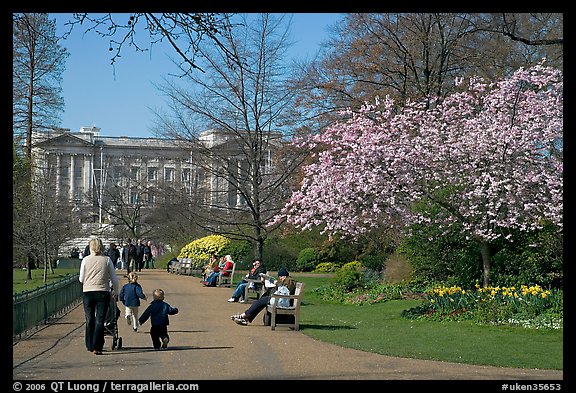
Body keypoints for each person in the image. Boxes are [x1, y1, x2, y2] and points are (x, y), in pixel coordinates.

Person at [79, 237, 120, 355]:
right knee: (100, 320)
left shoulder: (85, 260)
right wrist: (116, 292)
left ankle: (89, 344)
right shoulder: (107, 260)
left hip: (88, 292)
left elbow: (81, 279)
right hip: (102, 292)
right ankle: (97, 346)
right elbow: (115, 280)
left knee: (89, 318)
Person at [231, 267, 296, 326]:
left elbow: (287, 289)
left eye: (281, 276)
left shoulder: (289, 280)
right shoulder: (286, 280)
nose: (280, 278)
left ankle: (243, 316)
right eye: (279, 276)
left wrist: (277, 283)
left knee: (259, 302)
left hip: (281, 300)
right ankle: (245, 318)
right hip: (278, 299)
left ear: (285, 275)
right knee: (259, 302)